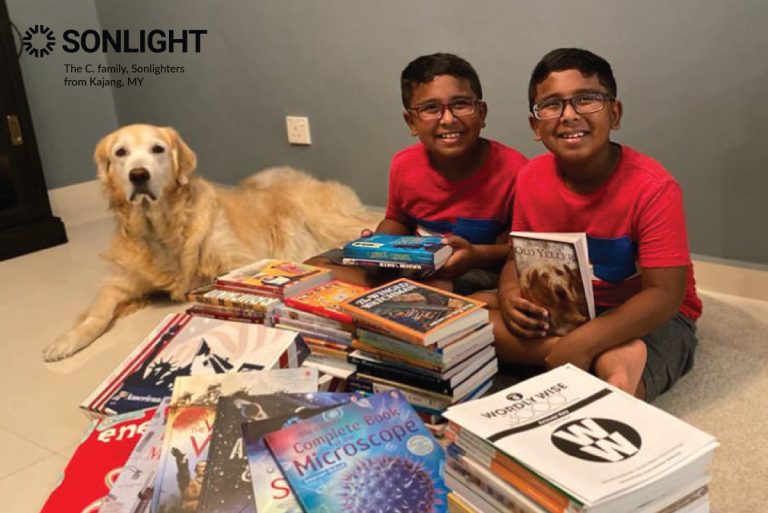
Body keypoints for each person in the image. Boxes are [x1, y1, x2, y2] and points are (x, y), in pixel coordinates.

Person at [485, 48, 702, 401]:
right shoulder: (529, 177)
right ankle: (580, 357)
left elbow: (665, 295)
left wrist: (588, 339)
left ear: (614, 114)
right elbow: (516, 257)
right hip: (564, 311)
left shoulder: (653, 187)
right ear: (535, 126)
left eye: (587, 100)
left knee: (632, 369)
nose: (569, 115)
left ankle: (600, 363)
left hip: (643, 316)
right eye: (551, 105)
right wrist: (509, 294)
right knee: (473, 323)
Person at [306, 52, 528, 295]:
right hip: (412, 263)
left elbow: (516, 250)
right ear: (411, 122)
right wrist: (378, 246)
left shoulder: (514, 169)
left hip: (470, 268)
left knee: (442, 290)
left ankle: (394, 292)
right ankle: (395, 290)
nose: (448, 119)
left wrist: (473, 255)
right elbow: (398, 220)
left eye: (460, 104)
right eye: (430, 108)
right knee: (312, 269)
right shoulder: (404, 164)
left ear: (481, 112)